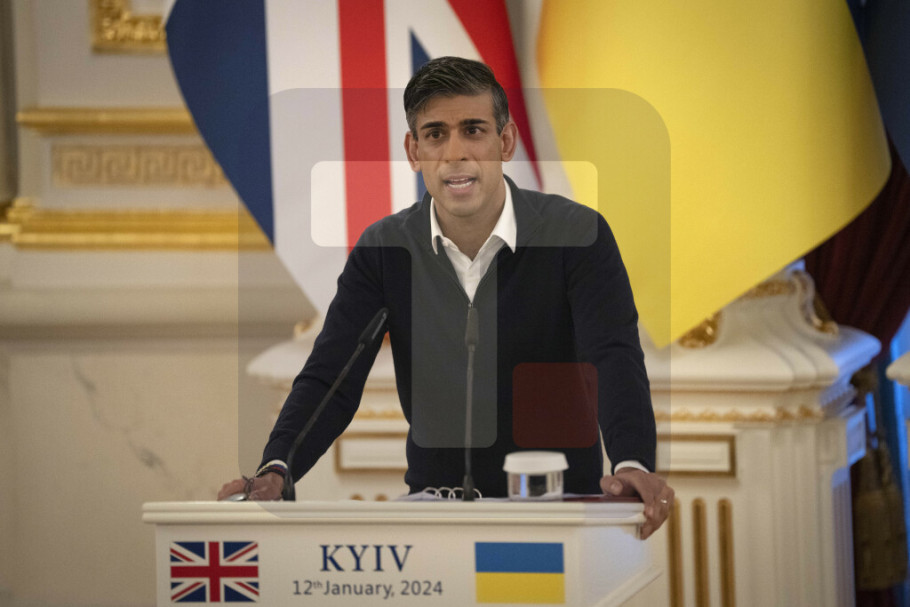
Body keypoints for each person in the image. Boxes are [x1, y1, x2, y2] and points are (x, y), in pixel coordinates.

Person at [219, 56, 673, 539]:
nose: (455, 153)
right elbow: (331, 375)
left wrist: (631, 462)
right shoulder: (384, 250)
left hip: (560, 509)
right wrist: (278, 466)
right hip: (436, 517)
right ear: (414, 151)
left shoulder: (578, 235)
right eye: (435, 134)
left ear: (505, 142)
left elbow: (614, 355)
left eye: (473, 131)